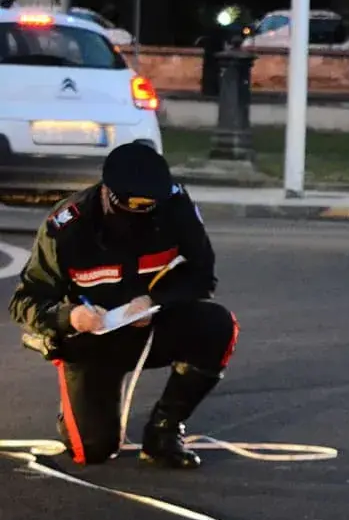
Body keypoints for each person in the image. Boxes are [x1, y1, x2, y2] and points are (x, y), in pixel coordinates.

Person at [8, 143, 238, 469]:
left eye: (147, 216)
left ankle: (164, 430)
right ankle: (67, 376)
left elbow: (203, 277)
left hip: (149, 323)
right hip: (90, 336)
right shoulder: (67, 228)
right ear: (106, 194)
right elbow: (24, 302)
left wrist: (154, 301)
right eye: (127, 217)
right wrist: (70, 316)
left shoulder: (176, 208)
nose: (136, 227)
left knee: (218, 326)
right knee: (93, 450)